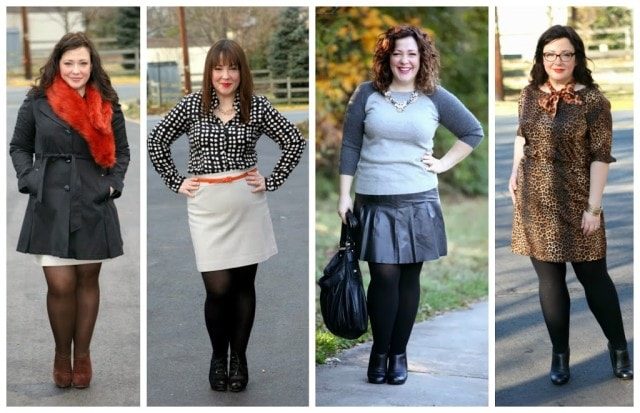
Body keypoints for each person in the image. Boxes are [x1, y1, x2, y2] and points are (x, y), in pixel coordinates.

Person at [148, 39, 305, 393]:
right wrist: (176, 181)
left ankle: (240, 358)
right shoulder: (192, 106)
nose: (225, 75)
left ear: (241, 71)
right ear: (209, 72)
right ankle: (219, 356)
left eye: (232, 67)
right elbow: (156, 141)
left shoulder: (257, 107)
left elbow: (294, 141)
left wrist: (272, 179)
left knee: (244, 286)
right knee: (217, 288)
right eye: (218, 68)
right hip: (205, 207)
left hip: (247, 203)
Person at [337, 25, 484, 385]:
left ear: (423, 59)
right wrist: (344, 194)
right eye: (398, 53)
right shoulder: (366, 94)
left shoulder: (434, 96)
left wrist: (443, 163)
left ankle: (399, 353)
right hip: (374, 198)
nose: (405, 60)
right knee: (383, 275)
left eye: (412, 54)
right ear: (387, 57)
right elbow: (351, 146)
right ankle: (379, 350)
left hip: (419, 200)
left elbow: (472, 131)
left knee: (408, 279)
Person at [508, 25, 633, 385]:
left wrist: (593, 208)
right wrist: (513, 173)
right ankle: (560, 356)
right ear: (540, 58)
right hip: (535, 200)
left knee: (594, 278)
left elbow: (600, 156)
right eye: (550, 55)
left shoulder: (594, 100)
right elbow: (522, 135)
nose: (557, 61)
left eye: (565, 54)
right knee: (550, 282)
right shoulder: (529, 94)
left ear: (577, 57)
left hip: (578, 197)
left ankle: (619, 348)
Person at [9, 32, 130, 389]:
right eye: (69, 63)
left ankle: (84, 356)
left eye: (83, 62)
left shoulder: (107, 101)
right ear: (57, 64)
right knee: (60, 283)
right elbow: (18, 146)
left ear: (92, 65)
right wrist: (31, 179)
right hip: (50, 201)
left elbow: (122, 151)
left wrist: (113, 184)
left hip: (93, 200)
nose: (76, 70)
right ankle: (62, 354)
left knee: (87, 280)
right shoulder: (37, 101)